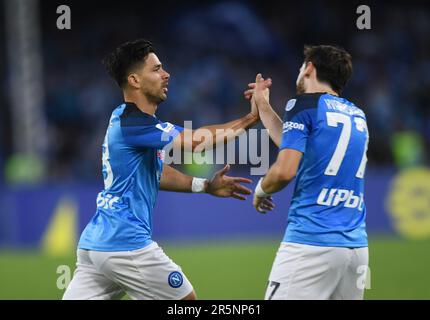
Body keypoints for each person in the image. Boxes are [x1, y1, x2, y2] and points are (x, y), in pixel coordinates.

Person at [63, 39, 260, 300]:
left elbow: (156, 173)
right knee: (186, 302)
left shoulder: (129, 121)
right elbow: (196, 142)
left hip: (96, 244)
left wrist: (204, 186)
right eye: (156, 69)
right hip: (125, 242)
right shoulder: (134, 124)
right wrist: (251, 118)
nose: (166, 74)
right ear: (134, 80)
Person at [247, 45, 369, 300]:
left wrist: (260, 190)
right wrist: (263, 106)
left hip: (311, 244)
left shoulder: (303, 105)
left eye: (301, 66)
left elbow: (284, 171)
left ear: (309, 67)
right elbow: (295, 143)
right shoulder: (357, 115)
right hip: (356, 249)